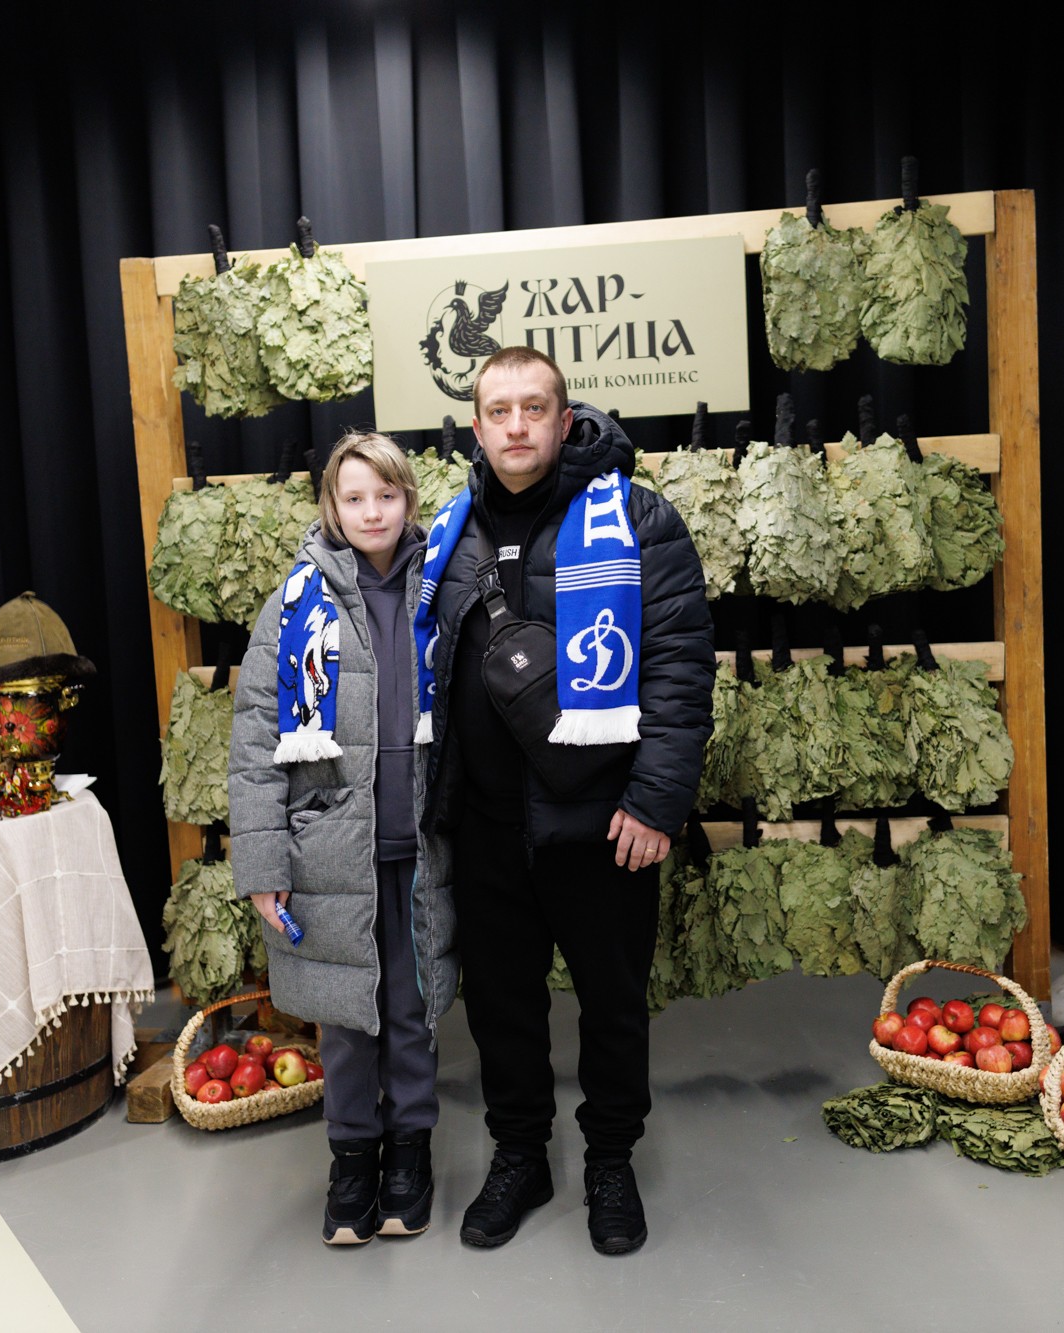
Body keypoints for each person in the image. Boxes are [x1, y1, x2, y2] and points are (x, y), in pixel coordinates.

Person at [419, 346, 714, 1255]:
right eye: (498, 410)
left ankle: (611, 1161)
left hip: (602, 821)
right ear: (476, 427)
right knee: (502, 1006)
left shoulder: (636, 517)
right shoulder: (449, 530)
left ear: (563, 417)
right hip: (486, 823)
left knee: (613, 1005)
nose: (516, 425)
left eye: (534, 407)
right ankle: (521, 1156)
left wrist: (656, 802)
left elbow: (679, 665)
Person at [230, 431, 458, 1246]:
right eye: (354, 497)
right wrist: (263, 862)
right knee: (347, 1021)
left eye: (386, 495)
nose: (372, 512)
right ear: (331, 505)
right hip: (327, 855)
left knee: (411, 1012)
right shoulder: (294, 604)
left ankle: (410, 1154)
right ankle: (354, 1158)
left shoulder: (442, 590)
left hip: (420, 849)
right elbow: (255, 743)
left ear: (408, 500)